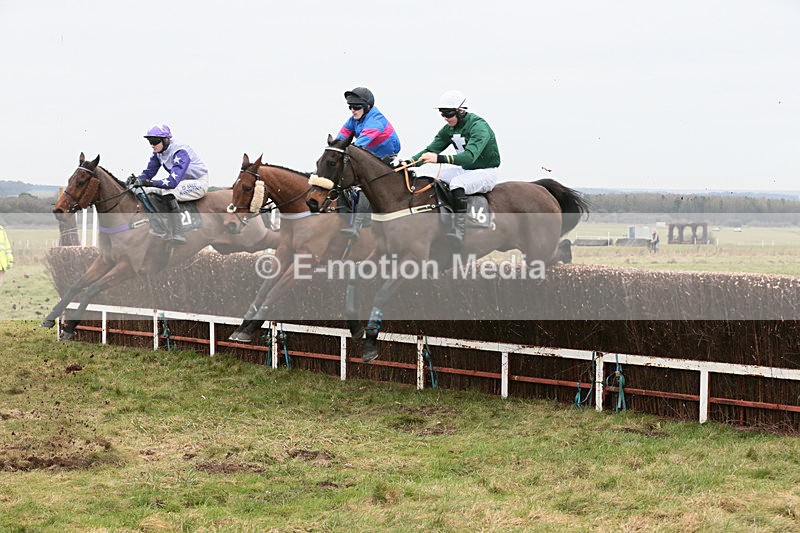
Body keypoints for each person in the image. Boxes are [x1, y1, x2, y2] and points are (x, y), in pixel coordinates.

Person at [411, 90, 501, 246]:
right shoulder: (448, 129)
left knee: (457, 183)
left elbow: (469, 157)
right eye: (442, 114)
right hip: (465, 169)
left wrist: (439, 159)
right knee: (425, 174)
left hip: (486, 171)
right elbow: (430, 150)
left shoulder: (479, 127)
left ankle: (459, 230)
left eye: (448, 114)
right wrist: (408, 162)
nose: (446, 118)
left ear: (461, 111)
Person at [336, 87, 401, 240]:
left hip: (385, 160)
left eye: (356, 107)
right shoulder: (354, 119)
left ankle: (357, 227)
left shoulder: (376, 120)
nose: (353, 110)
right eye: (350, 107)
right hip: (369, 157)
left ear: (368, 107)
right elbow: (340, 141)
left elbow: (357, 147)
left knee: (366, 185)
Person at [128, 124, 209, 245]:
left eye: (155, 141)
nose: (152, 145)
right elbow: (149, 173)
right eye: (150, 141)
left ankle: (178, 233)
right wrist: (135, 181)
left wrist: (146, 182)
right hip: (182, 183)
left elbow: (171, 183)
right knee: (149, 191)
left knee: (168, 192)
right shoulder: (158, 153)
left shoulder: (180, 152)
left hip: (198, 182)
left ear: (166, 140)